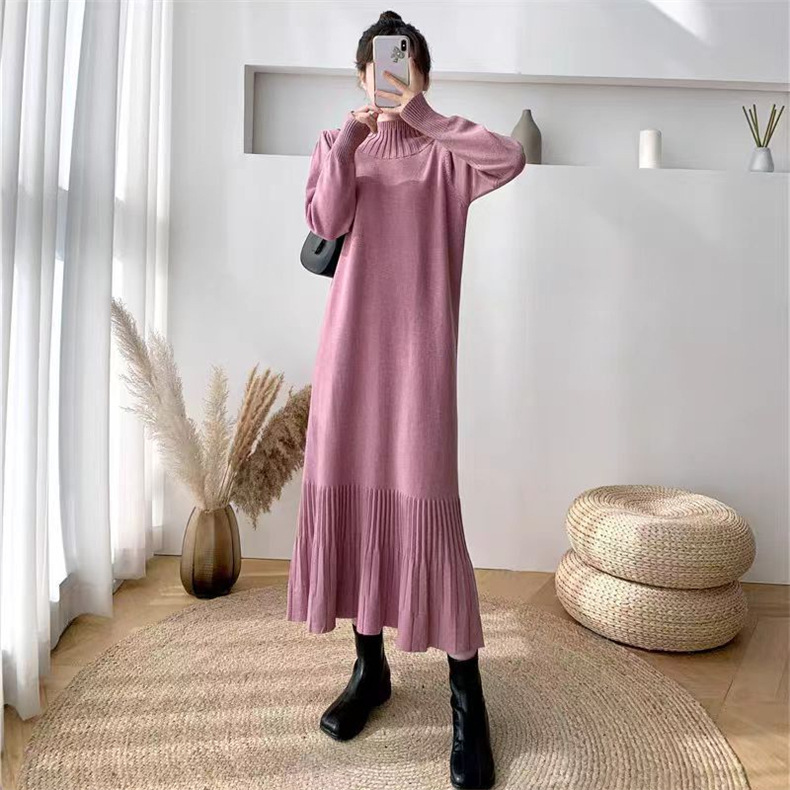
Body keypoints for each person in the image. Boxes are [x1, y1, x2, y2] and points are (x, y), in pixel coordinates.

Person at [286, 10, 526, 789]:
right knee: (354, 508)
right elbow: (326, 219)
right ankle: (369, 670)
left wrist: (421, 114)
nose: (390, 77)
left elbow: (512, 157)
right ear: (361, 75)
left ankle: (467, 701)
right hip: (349, 359)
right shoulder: (339, 145)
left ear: (421, 73)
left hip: (418, 367)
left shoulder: (447, 156)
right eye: (379, 66)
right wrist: (350, 142)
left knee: (428, 515)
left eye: (405, 65)